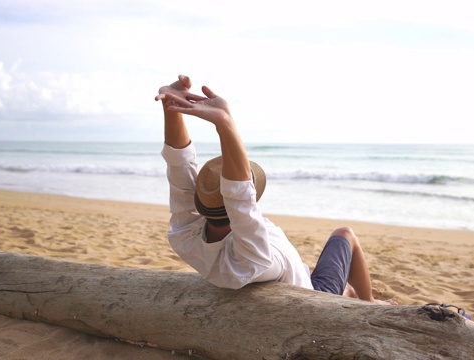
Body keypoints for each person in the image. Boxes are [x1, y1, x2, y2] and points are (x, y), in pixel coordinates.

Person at [155, 74, 395, 305]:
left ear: (202, 203)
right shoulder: (249, 256)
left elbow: (180, 167)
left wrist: (171, 107)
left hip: (296, 278)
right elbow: (239, 196)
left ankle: (348, 291)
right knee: (345, 234)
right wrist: (225, 122)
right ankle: (370, 302)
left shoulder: (187, 236)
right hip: (314, 297)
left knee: (335, 281)